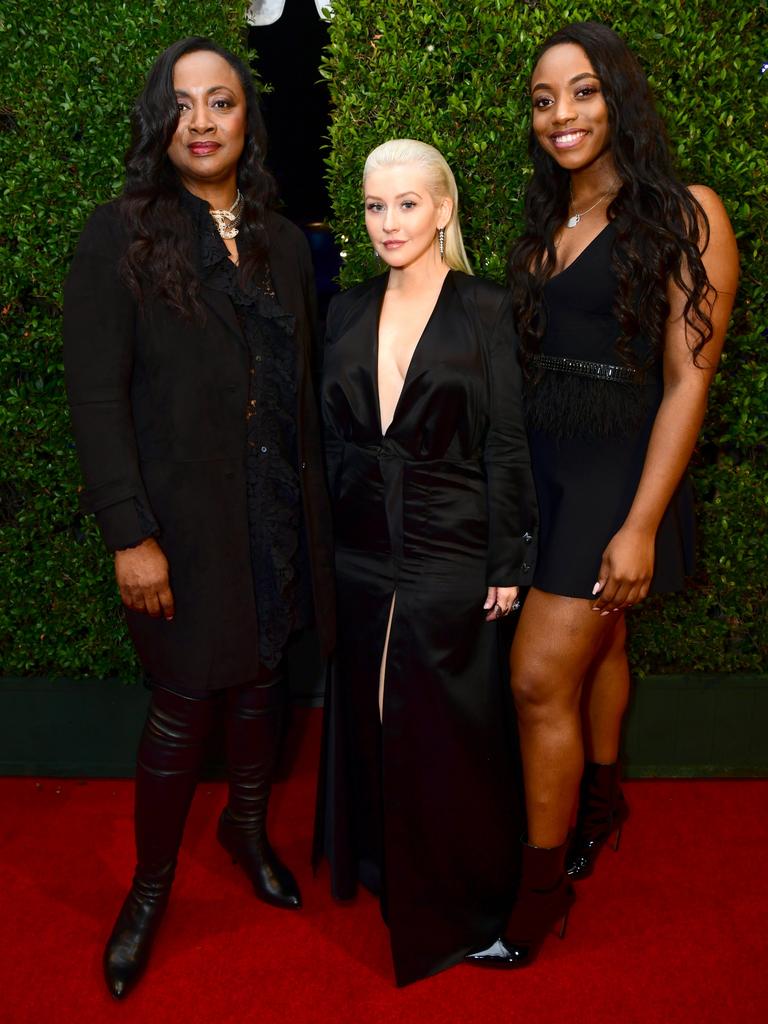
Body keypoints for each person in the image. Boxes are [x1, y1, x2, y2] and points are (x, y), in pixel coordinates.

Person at [63, 37, 335, 999]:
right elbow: (97, 401)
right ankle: (149, 889)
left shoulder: (283, 240)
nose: (206, 121)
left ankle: (249, 833)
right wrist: (129, 535)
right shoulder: (120, 232)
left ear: (247, 118)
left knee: (261, 683)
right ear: (159, 121)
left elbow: (300, 384)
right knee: (183, 708)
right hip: (179, 525)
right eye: (185, 105)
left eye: (223, 102)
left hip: (274, 513)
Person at [467, 22, 738, 968]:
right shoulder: (546, 221)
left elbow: (688, 380)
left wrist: (640, 526)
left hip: (613, 477)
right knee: (599, 645)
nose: (562, 115)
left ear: (618, 96)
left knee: (539, 678)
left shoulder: (687, 211)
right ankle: (602, 801)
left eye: (582, 92)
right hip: (539, 461)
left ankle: (538, 899)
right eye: (544, 100)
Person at [312, 139, 538, 985]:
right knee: (372, 711)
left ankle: (466, 901)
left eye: (407, 204)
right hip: (363, 548)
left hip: (452, 541)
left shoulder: (485, 307)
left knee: (448, 726)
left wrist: (507, 559)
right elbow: (333, 444)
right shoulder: (345, 308)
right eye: (375, 207)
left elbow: (508, 441)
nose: (388, 223)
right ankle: (380, 864)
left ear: (442, 209)